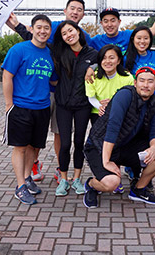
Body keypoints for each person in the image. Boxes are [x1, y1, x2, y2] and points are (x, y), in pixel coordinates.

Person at [5, 0, 91, 182]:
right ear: (65, 10)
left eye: (80, 9)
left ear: (83, 14)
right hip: (44, 92)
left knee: (59, 133)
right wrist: (17, 26)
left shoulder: (85, 36)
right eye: (72, 8)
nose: (75, 12)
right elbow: (35, 41)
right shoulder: (54, 28)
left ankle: (62, 170)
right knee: (34, 136)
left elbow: (93, 57)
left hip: (65, 95)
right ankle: (32, 165)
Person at [82, 67, 155, 208]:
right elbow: (112, 128)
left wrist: (154, 147)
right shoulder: (125, 95)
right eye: (142, 80)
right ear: (135, 83)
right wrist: (106, 161)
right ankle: (91, 184)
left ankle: (138, 189)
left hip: (125, 146)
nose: (145, 85)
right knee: (112, 182)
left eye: (150, 81)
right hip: (99, 145)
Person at [2, 14, 57, 205]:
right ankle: (20, 187)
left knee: (34, 147)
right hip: (21, 107)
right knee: (20, 147)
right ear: (31, 29)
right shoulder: (19, 50)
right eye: (39, 27)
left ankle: (27, 178)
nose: (43, 31)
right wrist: (9, 104)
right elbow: (7, 76)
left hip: (42, 107)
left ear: (50, 32)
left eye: (46, 28)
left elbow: (54, 80)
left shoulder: (50, 53)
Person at [51, 21, 98, 196]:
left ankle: (77, 179)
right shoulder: (59, 52)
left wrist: (93, 67)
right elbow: (35, 40)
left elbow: (110, 61)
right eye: (64, 33)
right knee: (64, 144)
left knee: (79, 142)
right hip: (63, 104)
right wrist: (17, 26)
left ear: (78, 31)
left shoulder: (92, 54)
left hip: (82, 106)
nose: (68, 35)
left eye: (70, 31)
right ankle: (63, 179)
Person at [85, 44, 134, 195]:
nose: (108, 61)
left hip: (120, 117)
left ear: (119, 60)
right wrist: (100, 105)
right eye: (104, 58)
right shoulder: (93, 76)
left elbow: (130, 99)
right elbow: (91, 96)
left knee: (116, 145)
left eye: (112, 57)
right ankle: (98, 177)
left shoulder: (127, 77)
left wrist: (114, 104)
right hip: (98, 114)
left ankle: (115, 175)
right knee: (100, 146)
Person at [90, 0, 155, 53]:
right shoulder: (96, 40)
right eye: (106, 21)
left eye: (113, 20)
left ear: (119, 21)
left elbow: (154, 30)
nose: (109, 24)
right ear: (101, 23)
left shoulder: (129, 35)